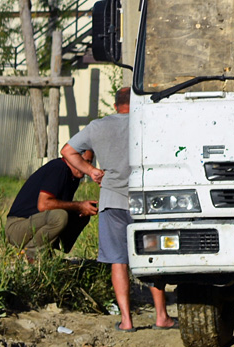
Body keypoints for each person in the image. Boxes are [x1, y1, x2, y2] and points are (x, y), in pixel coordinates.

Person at [61, 87, 175, 332]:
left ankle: (126, 320)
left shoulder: (97, 126)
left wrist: (91, 170)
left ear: (115, 106)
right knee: (151, 257)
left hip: (112, 200)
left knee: (118, 261)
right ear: (136, 103)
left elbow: (67, 151)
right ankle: (162, 316)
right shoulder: (149, 122)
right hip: (147, 201)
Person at [5, 146, 98, 258]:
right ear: (74, 157)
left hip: (35, 224)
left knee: (81, 214)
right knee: (60, 216)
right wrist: (79, 205)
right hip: (17, 227)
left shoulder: (73, 176)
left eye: (90, 163)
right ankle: (32, 254)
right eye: (86, 161)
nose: (88, 167)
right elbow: (44, 205)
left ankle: (48, 252)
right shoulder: (59, 168)